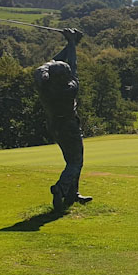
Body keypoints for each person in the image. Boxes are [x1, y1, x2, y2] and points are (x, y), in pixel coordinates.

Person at [33, 28, 91, 212]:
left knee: (71, 159)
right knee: (75, 162)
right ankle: (60, 188)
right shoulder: (70, 88)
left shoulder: (43, 84)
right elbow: (72, 66)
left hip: (53, 125)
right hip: (69, 126)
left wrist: (70, 44)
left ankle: (72, 194)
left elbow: (49, 64)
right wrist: (72, 43)